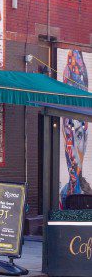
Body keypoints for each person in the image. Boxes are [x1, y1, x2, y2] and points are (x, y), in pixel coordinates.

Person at [60, 50, 91, 208]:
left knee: (77, 151)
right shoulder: (66, 71)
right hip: (72, 118)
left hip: (80, 119)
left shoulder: (83, 74)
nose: (74, 60)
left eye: (76, 58)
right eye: (71, 58)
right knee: (72, 151)